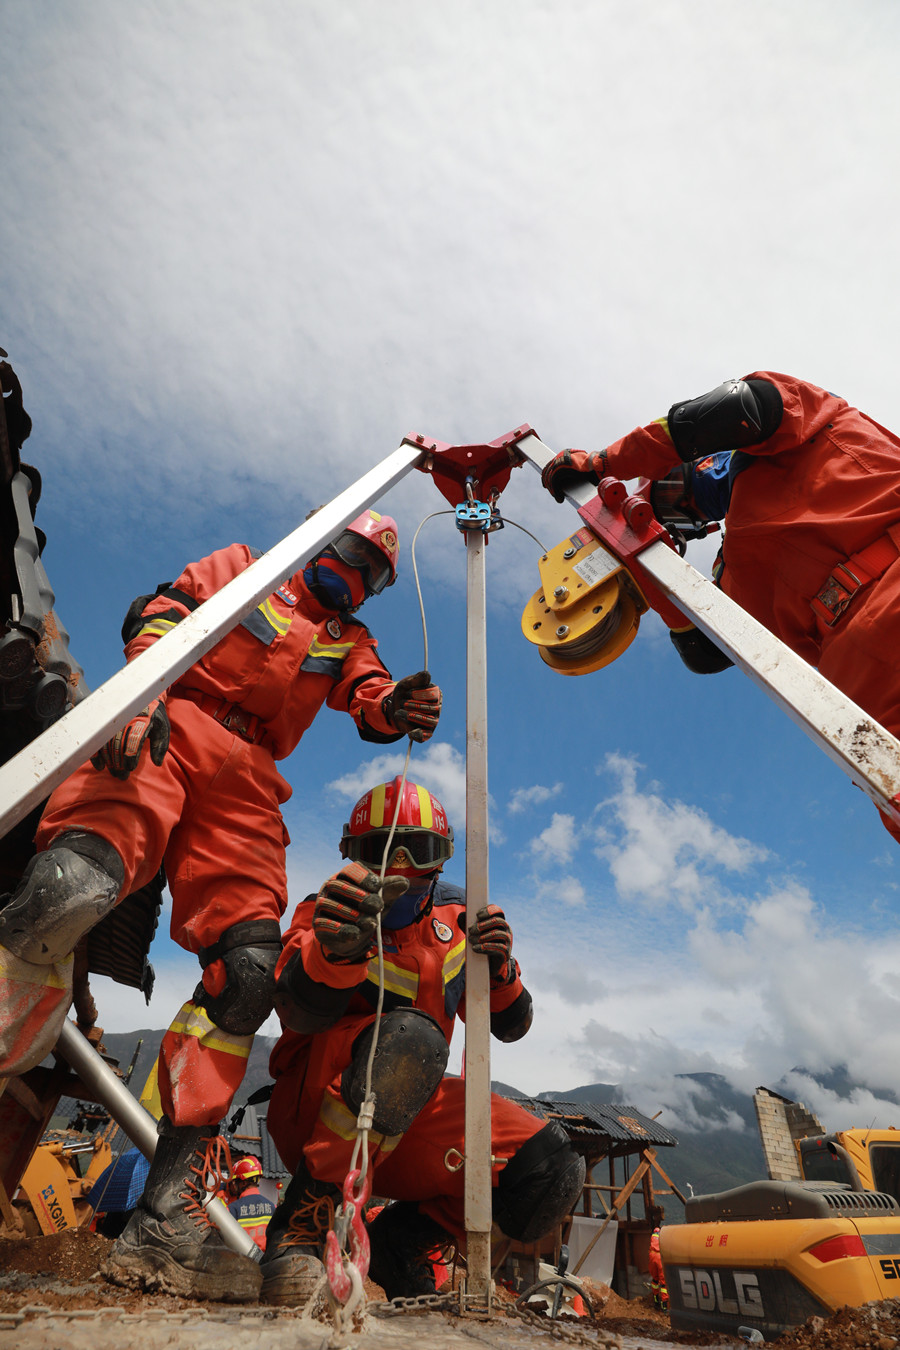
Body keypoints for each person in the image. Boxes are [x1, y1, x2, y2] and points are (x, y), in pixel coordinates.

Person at [0, 509, 442, 1302]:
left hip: (248, 781)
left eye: (375, 577)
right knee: (73, 887)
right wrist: (138, 692)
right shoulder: (249, 566)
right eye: (353, 558)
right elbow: (165, 610)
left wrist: (398, 706)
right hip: (174, 716)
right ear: (319, 540)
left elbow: (368, 698)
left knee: (245, 977)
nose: (360, 581)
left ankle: (163, 1226)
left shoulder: (349, 638)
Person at [257, 776, 586, 1306]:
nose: (402, 865)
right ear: (352, 855)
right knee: (411, 1041)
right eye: (381, 849)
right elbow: (296, 1005)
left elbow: (513, 1026)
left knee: (551, 1171)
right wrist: (335, 951)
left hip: (414, 1114)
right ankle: (300, 1229)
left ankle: (402, 1241)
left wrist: (501, 970)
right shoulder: (327, 910)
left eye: (420, 849)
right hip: (316, 1106)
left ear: (443, 857)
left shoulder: (458, 925)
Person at [542, 371, 900, 842]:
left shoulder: (815, 424)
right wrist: (652, 570)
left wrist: (610, 460)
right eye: (675, 511)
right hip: (862, 707)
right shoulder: (739, 563)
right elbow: (706, 652)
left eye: (673, 494)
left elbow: (736, 407)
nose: (687, 505)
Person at [227, 1155, 275, 1250]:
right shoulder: (272, 1206)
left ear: (244, 1183)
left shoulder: (232, 1209)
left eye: (235, 1182)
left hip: (242, 1261)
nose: (234, 1185)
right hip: (267, 1262)